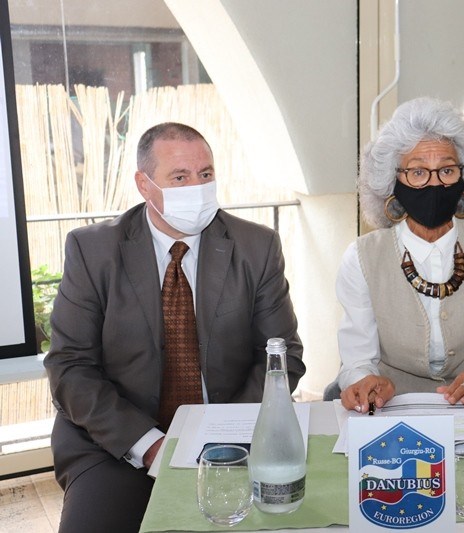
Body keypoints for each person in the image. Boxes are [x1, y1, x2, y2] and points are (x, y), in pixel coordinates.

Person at [44, 122, 304, 533]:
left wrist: (224, 435)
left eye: (205, 174)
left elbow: (281, 355)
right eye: (180, 178)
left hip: (230, 435)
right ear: (144, 185)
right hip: (115, 441)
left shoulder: (256, 247)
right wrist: (149, 445)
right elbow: (70, 367)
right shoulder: (93, 250)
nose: (197, 188)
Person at [334, 97, 464, 413]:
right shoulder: (362, 257)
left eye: (447, 170)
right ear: (393, 181)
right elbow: (357, 359)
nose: (435, 184)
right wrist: (367, 382)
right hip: (391, 406)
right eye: (418, 172)